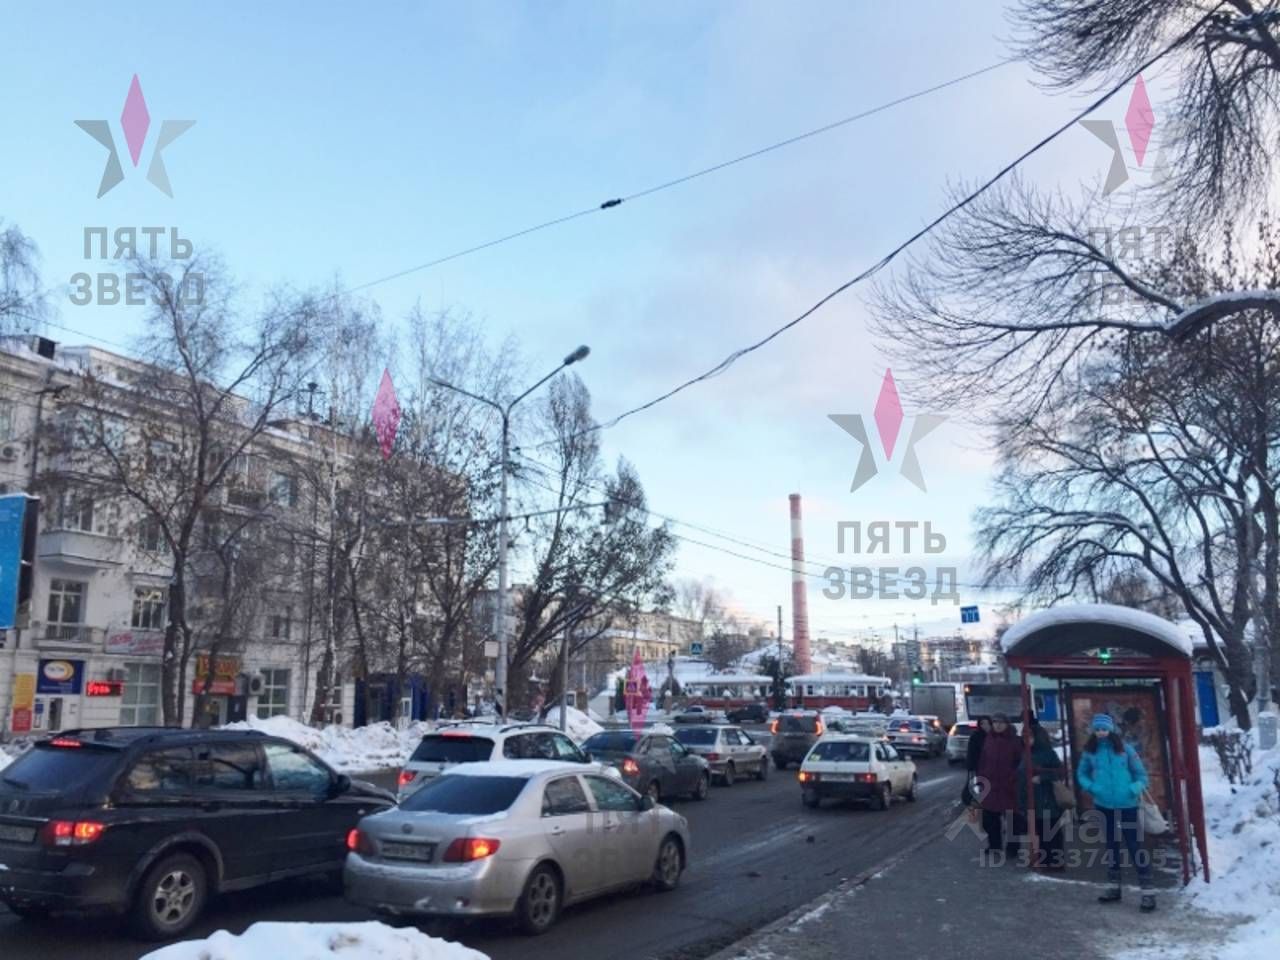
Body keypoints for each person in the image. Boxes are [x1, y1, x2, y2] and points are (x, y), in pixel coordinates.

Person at [1077, 713, 1155, 912]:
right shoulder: (1090, 751)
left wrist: (1133, 789)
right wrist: (1092, 787)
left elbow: (1141, 775)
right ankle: (1114, 887)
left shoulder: (1125, 749)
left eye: (1104, 729)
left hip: (1127, 805)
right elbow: (1081, 773)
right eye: (1097, 729)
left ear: (1111, 730)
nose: (1101, 732)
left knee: (1134, 846)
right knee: (1111, 846)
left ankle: (1148, 892)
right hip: (1103, 806)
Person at [1017, 723, 1066, 870]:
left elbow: (1060, 772)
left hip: (1046, 799)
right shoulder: (1026, 753)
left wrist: (1042, 778)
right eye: (1024, 737)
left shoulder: (1048, 753)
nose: (1026, 740)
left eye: (1029, 737)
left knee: (1050, 833)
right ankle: (1045, 860)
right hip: (1032, 800)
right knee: (1040, 832)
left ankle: (1055, 862)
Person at [975, 713, 1020, 859]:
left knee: (1012, 819)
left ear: (1007, 724)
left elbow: (1020, 762)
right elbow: (983, 760)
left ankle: (1013, 848)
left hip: (1009, 786)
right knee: (990, 819)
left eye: (1001, 722)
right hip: (991, 786)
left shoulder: (1014, 740)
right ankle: (994, 845)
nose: (998, 725)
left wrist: (1014, 778)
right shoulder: (989, 740)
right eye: (995, 722)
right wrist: (981, 779)